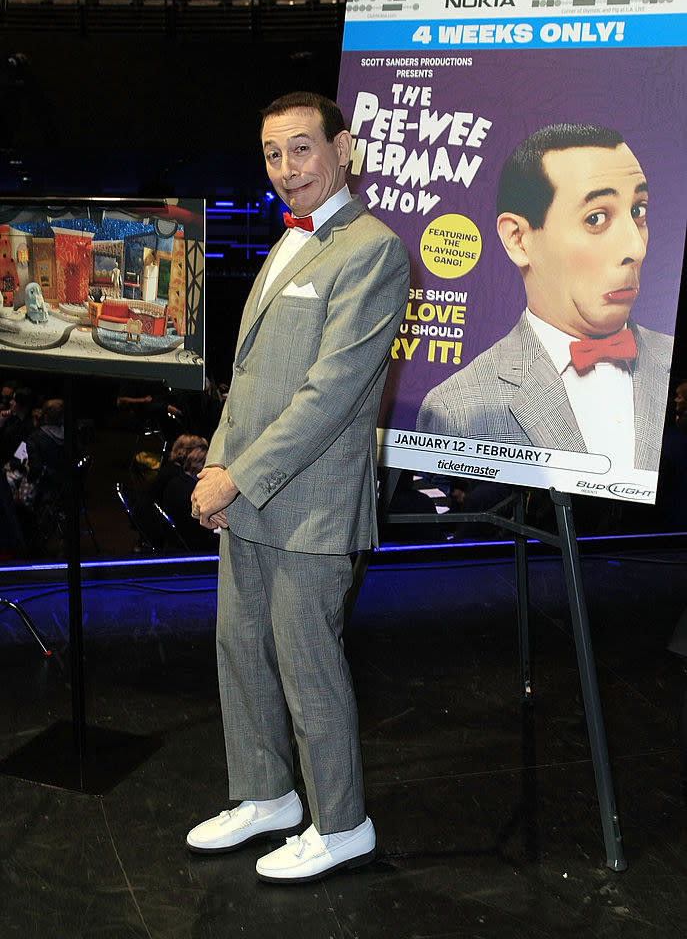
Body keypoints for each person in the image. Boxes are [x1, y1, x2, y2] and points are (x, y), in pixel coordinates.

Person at [187, 91, 409, 883]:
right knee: (240, 652)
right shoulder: (289, 243)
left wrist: (235, 476)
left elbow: (332, 391)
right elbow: (246, 382)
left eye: (302, 149)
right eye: (274, 154)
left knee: (307, 665)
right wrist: (218, 465)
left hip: (310, 504)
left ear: (342, 150)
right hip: (248, 494)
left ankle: (342, 823)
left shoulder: (373, 249)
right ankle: (266, 796)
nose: (287, 169)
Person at [417, 124, 673, 472]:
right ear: (518, 239)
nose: (636, 247)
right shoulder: (457, 408)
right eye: (596, 218)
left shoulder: (672, 364)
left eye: (638, 211)